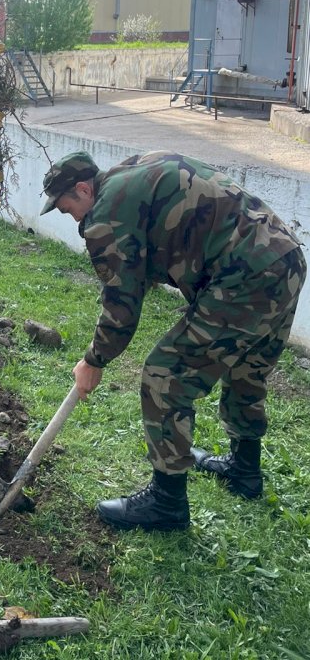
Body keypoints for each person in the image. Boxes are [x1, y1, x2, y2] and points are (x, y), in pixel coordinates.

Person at [40, 149, 306, 532]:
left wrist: (93, 360)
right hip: (284, 258)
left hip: (244, 277)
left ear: (83, 189)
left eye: (69, 209)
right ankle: (244, 472)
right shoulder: (134, 169)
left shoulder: (106, 216)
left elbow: (122, 307)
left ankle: (166, 503)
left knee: (164, 376)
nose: (74, 219)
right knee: (247, 367)